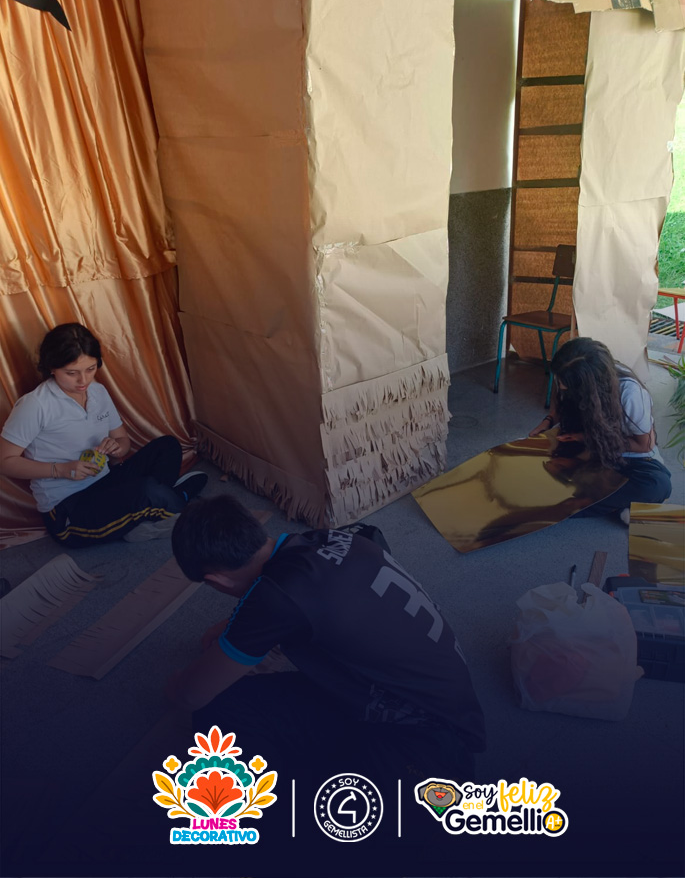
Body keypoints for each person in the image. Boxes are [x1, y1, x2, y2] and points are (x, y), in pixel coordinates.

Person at [168, 494, 485, 807]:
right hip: (447, 706)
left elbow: (190, 695)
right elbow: (301, 601)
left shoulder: (275, 598)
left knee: (218, 711)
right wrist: (234, 629)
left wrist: (177, 685)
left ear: (217, 581)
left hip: (424, 746)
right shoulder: (330, 540)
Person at [0, 323, 207, 545]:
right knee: (148, 490)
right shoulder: (35, 405)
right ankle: (177, 501)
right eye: (71, 373)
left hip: (105, 483)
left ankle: (148, 512)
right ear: (51, 367)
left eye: (90, 369)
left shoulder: (98, 392)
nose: (83, 381)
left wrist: (117, 448)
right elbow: (5, 462)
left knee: (168, 446)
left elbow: (123, 441)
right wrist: (60, 469)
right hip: (67, 510)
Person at [529, 337, 672, 522]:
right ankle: (617, 504)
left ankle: (580, 504)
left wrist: (588, 438)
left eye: (567, 385)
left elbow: (643, 445)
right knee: (539, 471)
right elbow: (562, 404)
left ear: (591, 386)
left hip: (631, 459)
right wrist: (547, 422)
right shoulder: (574, 378)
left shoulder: (631, 394)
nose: (561, 386)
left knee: (657, 485)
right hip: (592, 450)